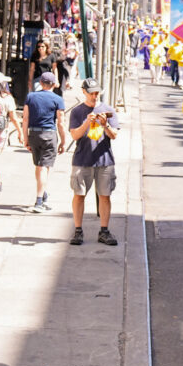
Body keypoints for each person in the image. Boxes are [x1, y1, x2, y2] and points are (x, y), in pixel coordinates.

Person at [67, 78, 120, 246]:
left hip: (104, 159)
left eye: (97, 93)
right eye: (91, 93)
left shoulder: (108, 110)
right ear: (84, 92)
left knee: (105, 195)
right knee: (79, 195)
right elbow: (75, 135)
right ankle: (78, 230)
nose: (95, 96)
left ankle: (104, 230)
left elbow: (114, 135)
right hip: (82, 158)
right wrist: (86, 123)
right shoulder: (77, 112)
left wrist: (105, 125)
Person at [21, 71, 68, 212]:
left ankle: (43, 191)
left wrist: (25, 138)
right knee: (44, 167)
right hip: (49, 134)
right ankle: (39, 201)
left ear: (40, 83)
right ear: (54, 84)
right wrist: (63, 141)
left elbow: (25, 119)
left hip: (34, 133)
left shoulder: (31, 97)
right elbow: (61, 123)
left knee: (39, 165)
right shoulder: (58, 99)